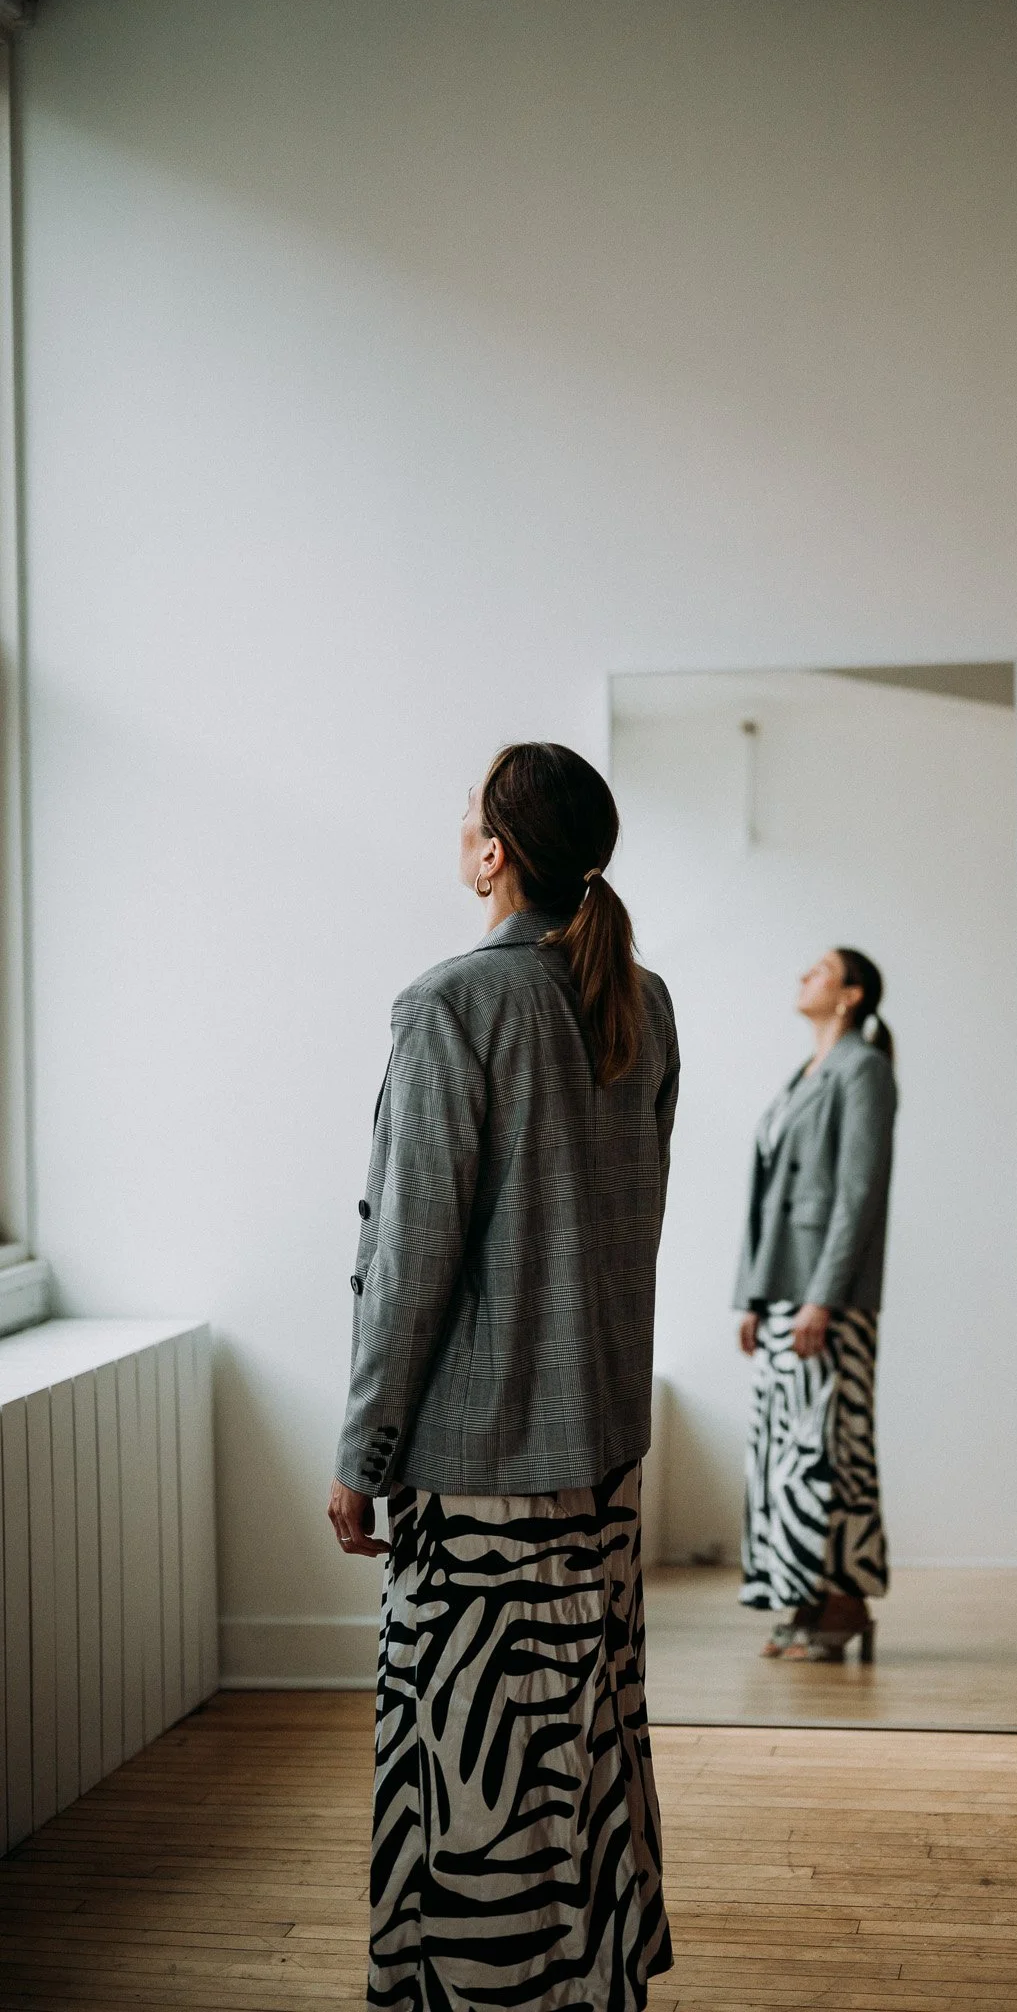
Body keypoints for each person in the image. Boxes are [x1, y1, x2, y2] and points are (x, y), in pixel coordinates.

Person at [328, 742, 679, 2011]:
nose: (457, 828)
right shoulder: (642, 999)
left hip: (474, 1476)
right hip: (597, 1459)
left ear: (494, 851)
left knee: (472, 1776)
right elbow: (627, 1231)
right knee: (574, 1745)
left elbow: (409, 1259)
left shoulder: (450, 1005)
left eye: (467, 814)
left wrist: (362, 1452)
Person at [734, 948, 897, 1663]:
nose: (804, 973)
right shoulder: (801, 1076)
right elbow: (768, 1195)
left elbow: (856, 1194)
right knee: (786, 1452)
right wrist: (753, 1294)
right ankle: (804, 1598)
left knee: (828, 1448)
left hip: (823, 1300)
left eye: (823, 969)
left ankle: (839, 1603)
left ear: (851, 996)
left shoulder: (862, 1070)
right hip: (782, 1292)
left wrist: (821, 1298)